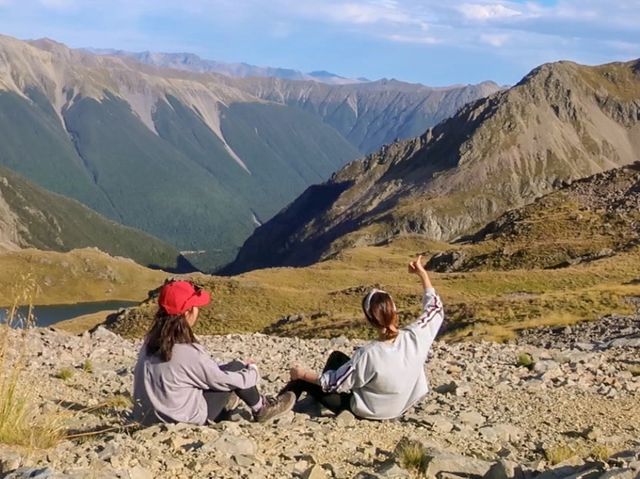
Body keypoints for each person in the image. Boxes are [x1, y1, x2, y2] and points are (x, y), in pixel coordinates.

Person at [281, 255, 444, 420]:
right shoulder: (416, 336)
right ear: (394, 311)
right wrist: (422, 274)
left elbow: (332, 383)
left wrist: (301, 374)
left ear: (369, 320)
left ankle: (273, 407)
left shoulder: (369, 354)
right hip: (401, 407)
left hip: (370, 412)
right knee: (337, 358)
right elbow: (435, 309)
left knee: (303, 380)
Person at [132, 280, 295, 426]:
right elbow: (221, 380)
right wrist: (252, 372)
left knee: (224, 370)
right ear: (187, 312)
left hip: (146, 418)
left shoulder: (150, 343)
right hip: (180, 421)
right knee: (236, 368)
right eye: (195, 307)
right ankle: (262, 408)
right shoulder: (186, 350)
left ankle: (233, 403)